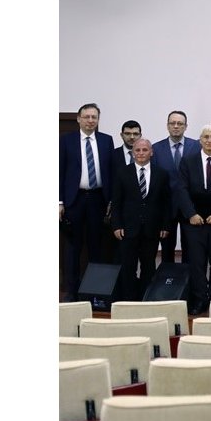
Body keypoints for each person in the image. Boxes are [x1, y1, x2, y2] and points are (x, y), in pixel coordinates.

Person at [173, 124, 211, 313]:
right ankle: (200, 298)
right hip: (194, 222)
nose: (209, 140)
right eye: (206, 137)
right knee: (196, 263)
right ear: (200, 139)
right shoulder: (188, 161)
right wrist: (191, 214)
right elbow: (181, 189)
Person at [59, 103, 116, 301]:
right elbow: (59, 172)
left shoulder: (106, 141)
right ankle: (72, 292)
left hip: (98, 200)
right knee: (73, 248)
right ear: (78, 119)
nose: (91, 120)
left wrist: (112, 200)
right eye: (87, 117)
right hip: (74, 200)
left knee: (97, 248)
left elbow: (111, 171)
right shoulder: (66, 141)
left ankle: (95, 293)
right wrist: (59, 202)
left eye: (94, 117)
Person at [110, 138, 171, 301]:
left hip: (152, 228)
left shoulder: (162, 174)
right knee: (128, 266)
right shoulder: (122, 173)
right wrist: (116, 225)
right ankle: (128, 299)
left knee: (149, 266)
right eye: (137, 150)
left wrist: (165, 225)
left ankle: (145, 298)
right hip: (128, 229)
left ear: (151, 152)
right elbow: (116, 202)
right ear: (133, 153)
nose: (141, 153)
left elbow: (166, 203)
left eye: (145, 150)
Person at [152, 110, 199, 264]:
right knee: (166, 249)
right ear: (167, 126)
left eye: (180, 123)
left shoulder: (197, 146)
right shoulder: (156, 149)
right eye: (173, 123)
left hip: (191, 207)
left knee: (191, 249)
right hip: (166, 208)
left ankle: (187, 285)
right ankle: (168, 285)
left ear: (186, 126)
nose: (176, 126)